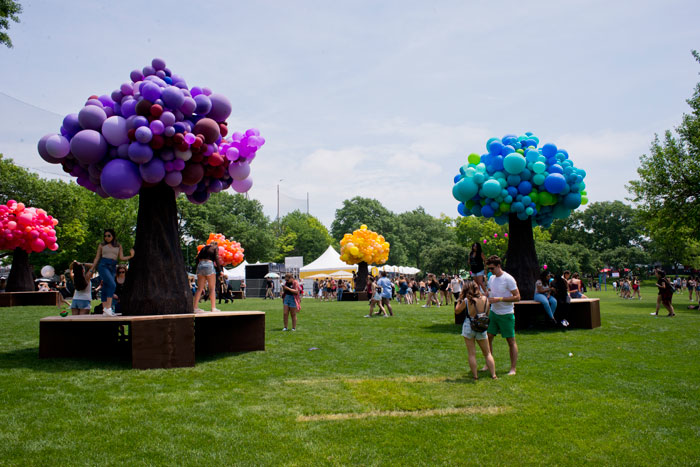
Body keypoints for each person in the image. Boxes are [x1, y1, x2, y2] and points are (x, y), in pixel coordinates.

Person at [483, 255, 520, 376]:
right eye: (489, 268)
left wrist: (499, 299)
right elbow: (489, 292)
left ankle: (513, 368)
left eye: (492, 268)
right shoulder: (491, 278)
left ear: (499, 266)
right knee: (488, 338)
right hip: (494, 313)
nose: (490, 271)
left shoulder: (508, 279)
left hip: (506, 314)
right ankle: (488, 364)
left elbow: (517, 297)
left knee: (510, 341)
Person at [455, 282, 497, 380]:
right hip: (481, 326)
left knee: (471, 353)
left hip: (469, 326)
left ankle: (475, 376)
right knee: (487, 353)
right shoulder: (485, 299)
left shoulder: (467, 300)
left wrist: (459, 299)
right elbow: (487, 313)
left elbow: (457, 311)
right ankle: (493, 375)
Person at [88, 229, 134, 317]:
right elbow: (97, 258)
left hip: (113, 266)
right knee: (112, 284)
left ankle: (105, 310)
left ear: (113, 236)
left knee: (106, 286)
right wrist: (91, 269)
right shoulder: (102, 245)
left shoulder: (118, 246)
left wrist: (131, 256)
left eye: (108, 235)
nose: (107, 237)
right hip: (103, 265)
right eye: (105, 236)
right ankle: (108, 308)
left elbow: (121, 257)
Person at [193, 241, 220, 313]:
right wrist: (220, 270)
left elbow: (197, 258)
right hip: (209, 265)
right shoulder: (215, 248)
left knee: (199, 289)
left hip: (200, 265)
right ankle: (213, 308)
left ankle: (195, 307)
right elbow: (217, 259)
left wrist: (197, 268)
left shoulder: (204, 248)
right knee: (212, 288)